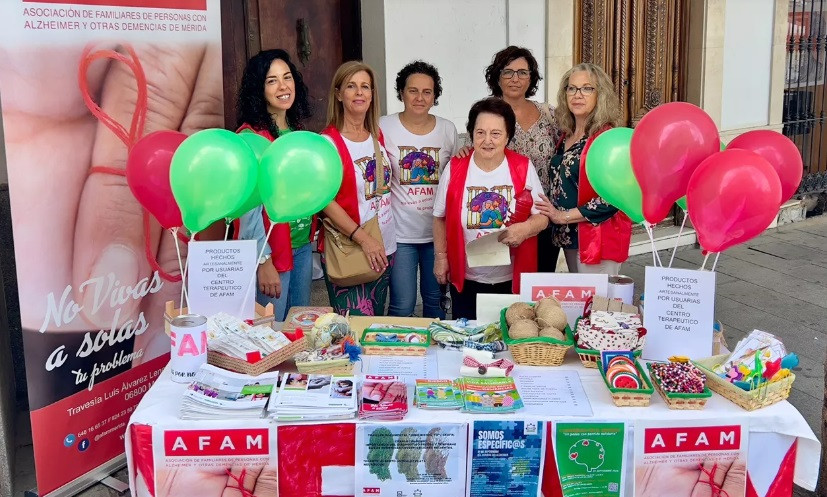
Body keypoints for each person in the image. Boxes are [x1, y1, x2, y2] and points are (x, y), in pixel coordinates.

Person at [433, 98, 548, 320]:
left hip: (510, 278)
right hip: (466, 278)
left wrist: (523, 230)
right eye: (480, 132)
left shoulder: (523, 166)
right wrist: (441, 258)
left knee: (508, 339)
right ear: (471, 134)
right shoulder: (456, 167)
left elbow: (542, 216)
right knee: (466, 339)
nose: (487, 140)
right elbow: (440, 218)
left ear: (507, 136)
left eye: (495, 134)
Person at [459, 46, 560, 271]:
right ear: (497, 76)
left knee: (538, 279)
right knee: (504, 280)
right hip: (502, 216)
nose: (515, 78)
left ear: (531, 77)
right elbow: (474, 148)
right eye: (508, 72)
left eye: (523, 72)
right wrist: (463, 152)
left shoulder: (549, 114)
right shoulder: (488, 113)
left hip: (542, 214)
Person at [235, 49, 315, 321]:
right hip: (271, 251)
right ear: (260, 89)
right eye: (272, 80)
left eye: (287, 77)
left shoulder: (296, 131)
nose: (283, 86)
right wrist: (263, 260)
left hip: (302, 246)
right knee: (270, 335)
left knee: (298, 331)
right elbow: (246, 208)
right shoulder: (250, 137)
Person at [535, 63, 632, 274]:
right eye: (572, 88)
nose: (578, 94)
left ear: (601, 95)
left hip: (598, 238)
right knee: (580, 302)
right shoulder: (566, 135)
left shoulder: (607, 138)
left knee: (596, 303)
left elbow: (615, 196)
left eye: (587, 88)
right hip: (570, 238)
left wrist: (563, 216)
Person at [380, 61, 458, 319]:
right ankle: (399, 356)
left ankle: (437, 356)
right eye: (413, 90)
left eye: (427, 92)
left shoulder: (447, 129)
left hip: (437, 235)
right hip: (400, 234)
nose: (420, 97)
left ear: (435, 96)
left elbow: (456, 176)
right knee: (403, 304)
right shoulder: (383, 126)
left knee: (435, 303)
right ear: (401, 92)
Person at [320, 61, 397, 316]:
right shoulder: (328, 142)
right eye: (351, 86)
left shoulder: (376, 135)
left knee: (375, 328)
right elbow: (324, 200)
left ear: (372, 94)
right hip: (352, 247)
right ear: (339, 94)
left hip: (383, 245)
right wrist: (365, 240)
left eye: (365, 86)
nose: (360, 92)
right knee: (352, 330)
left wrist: (377, 243)